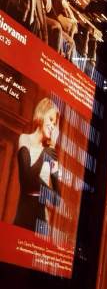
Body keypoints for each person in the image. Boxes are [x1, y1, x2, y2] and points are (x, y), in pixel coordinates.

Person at [13, 98, 60, 237]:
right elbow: (27, 181)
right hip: (24, 216)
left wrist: (50, 150)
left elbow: (57, 199)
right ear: (41, 113)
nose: (52, 125)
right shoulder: (24, 139)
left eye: (55, 123)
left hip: (42, 222)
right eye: (50, 119)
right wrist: (46, 153)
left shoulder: (51, 152)